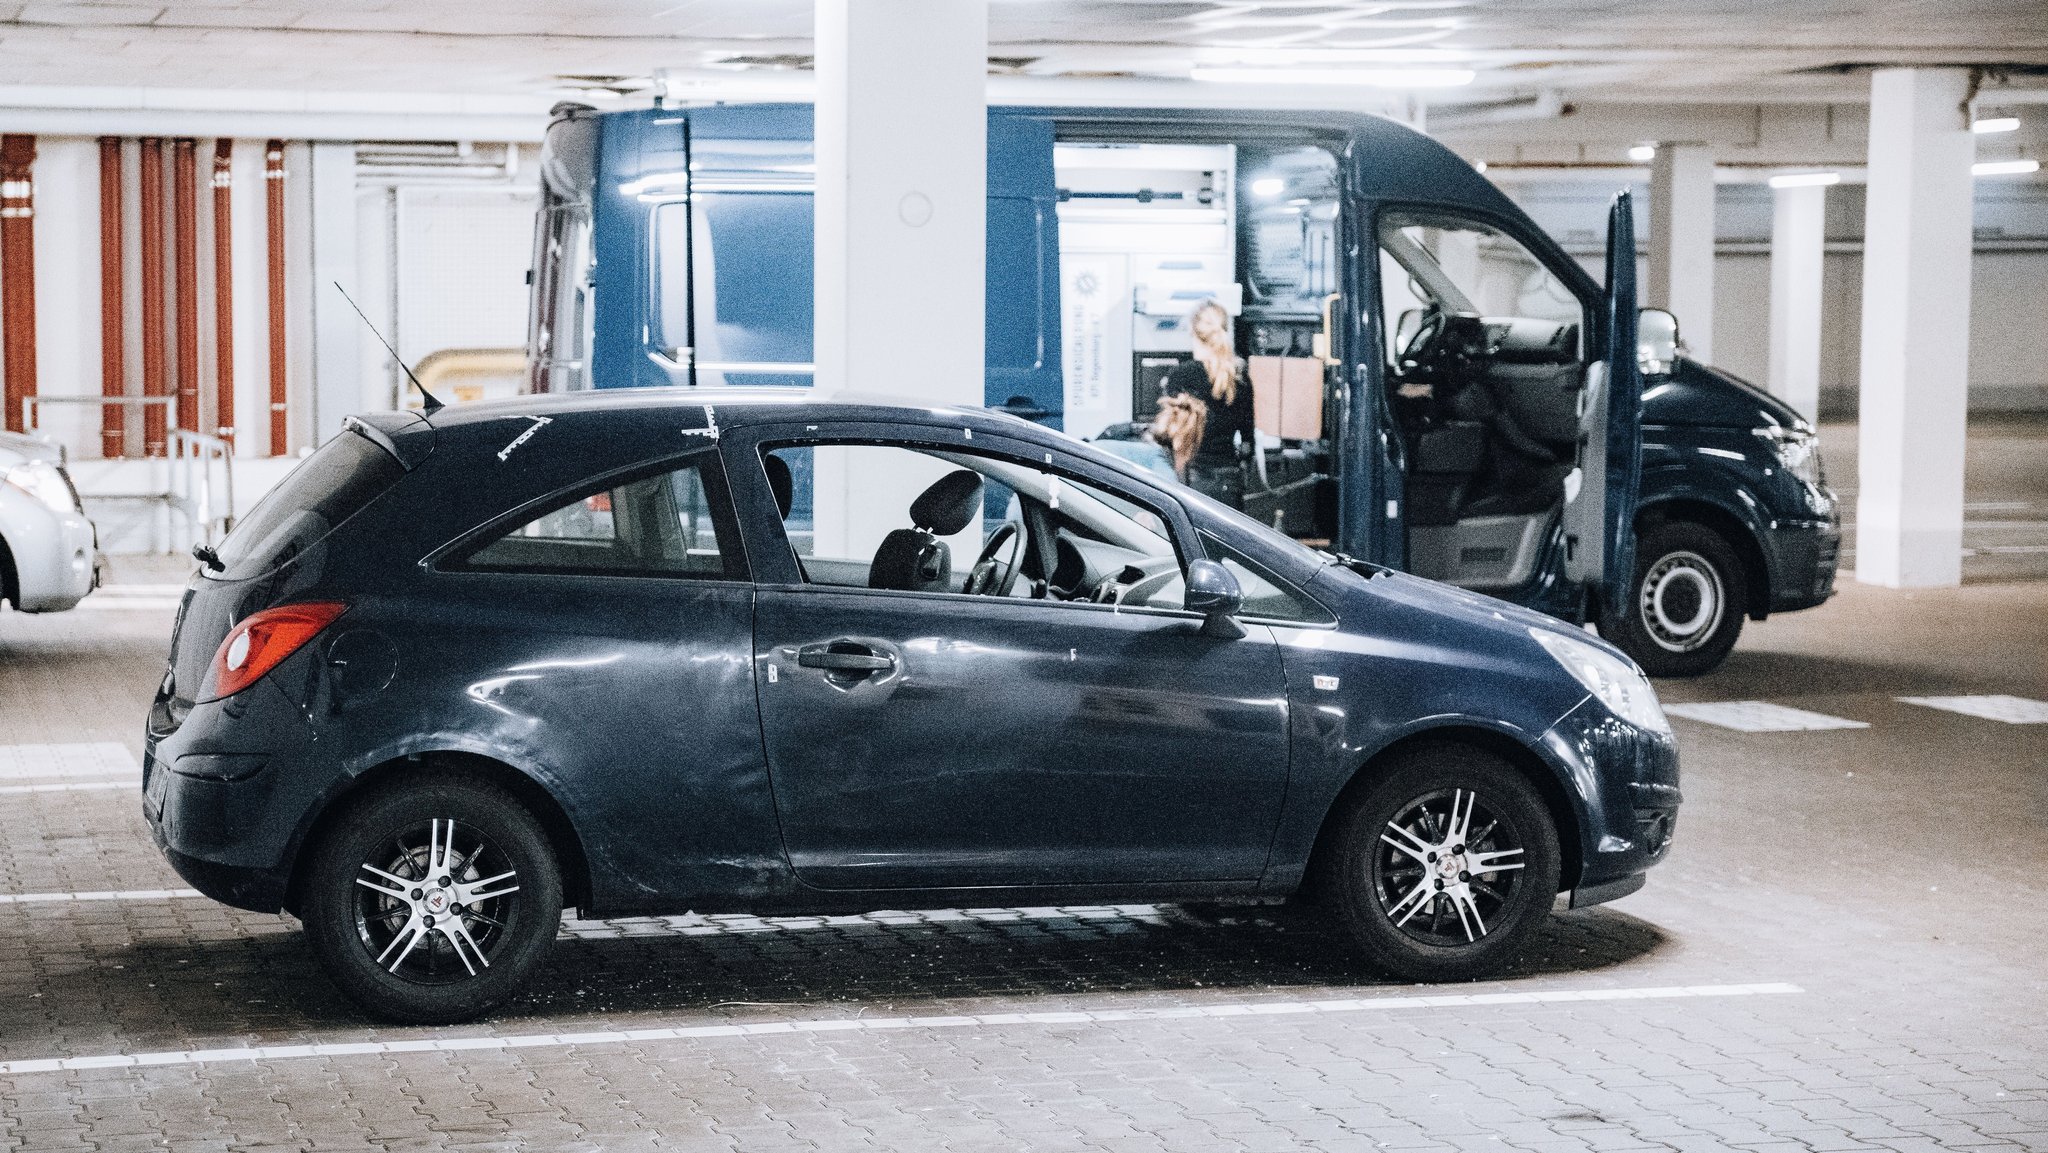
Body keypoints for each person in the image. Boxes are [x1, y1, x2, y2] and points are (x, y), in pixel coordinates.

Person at [1159, 299, 1252, 508]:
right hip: (1230, 481)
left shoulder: (1180, 376)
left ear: (1193, 331)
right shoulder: (1240, 377)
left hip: (1191, 480)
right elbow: (1248, 443)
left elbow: (1168, 438)